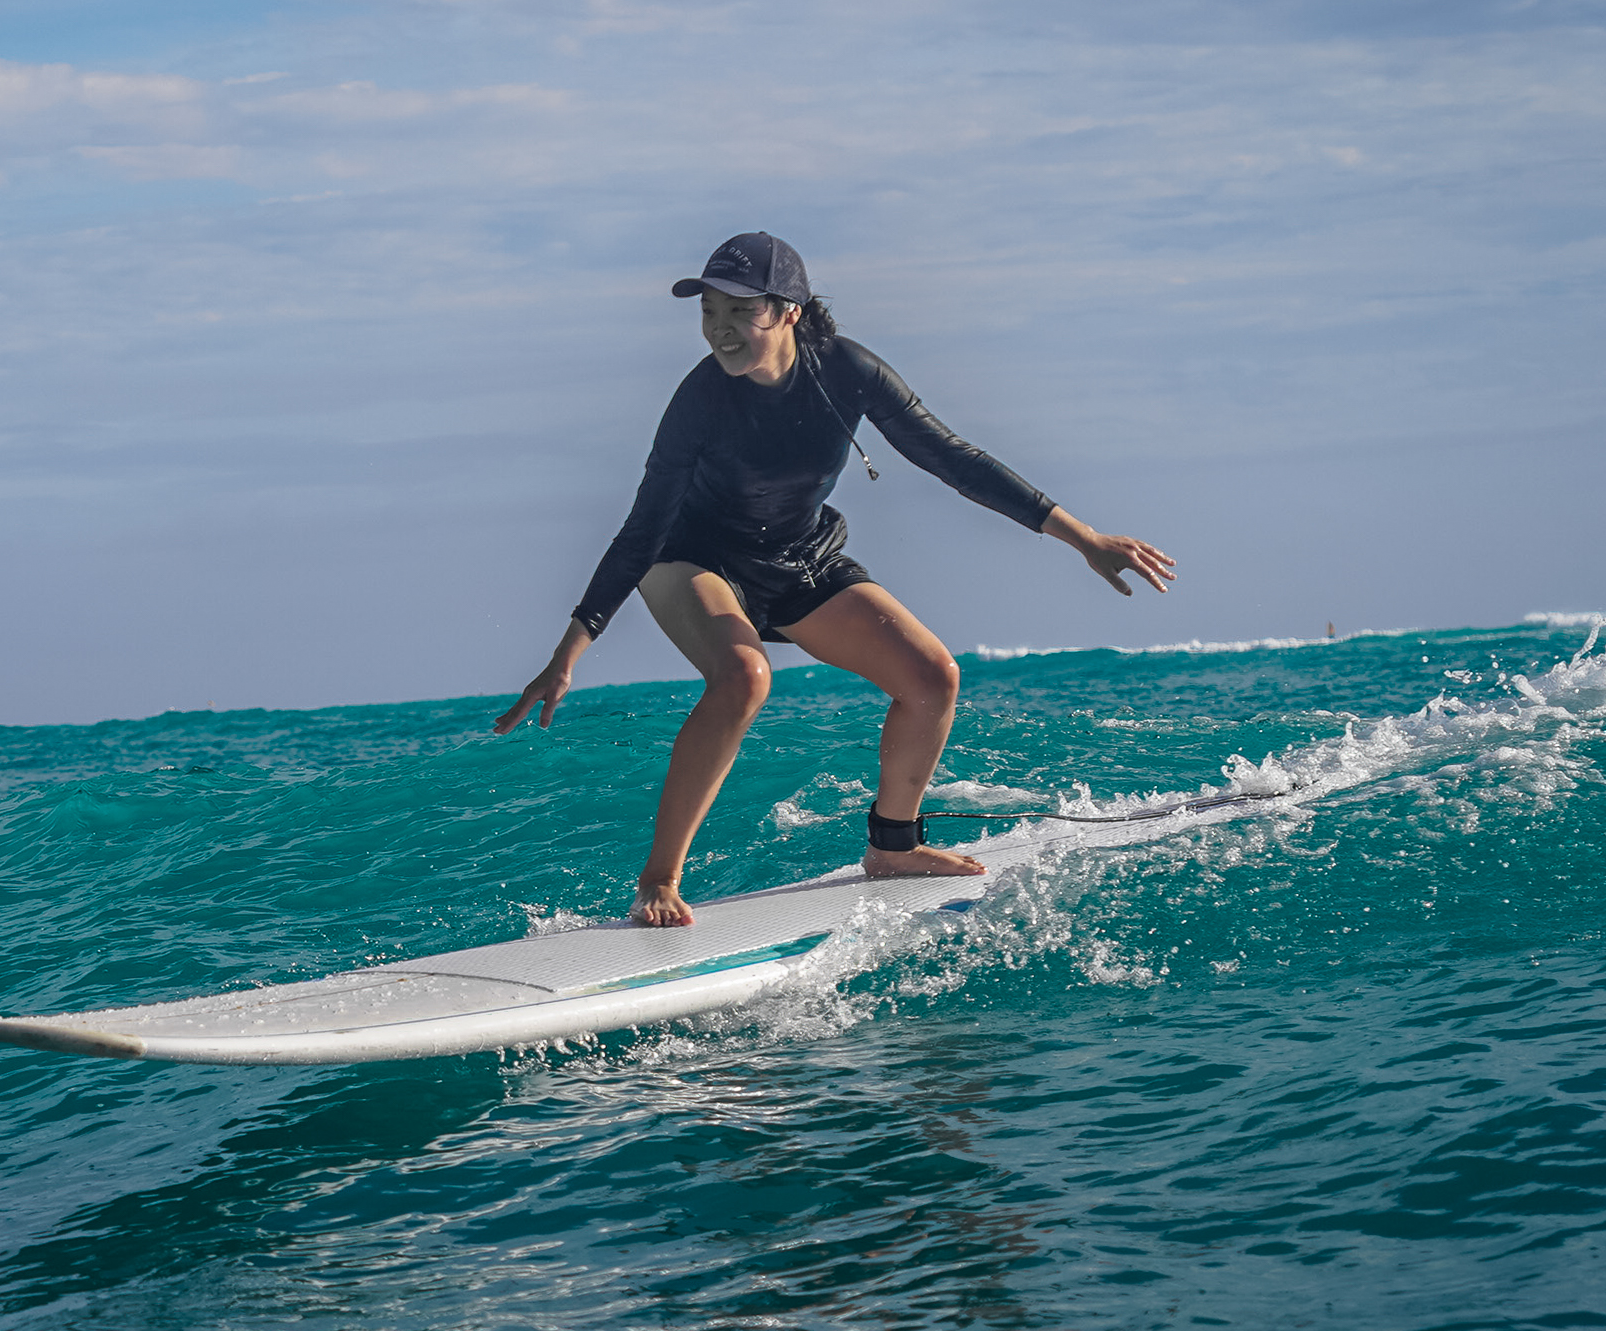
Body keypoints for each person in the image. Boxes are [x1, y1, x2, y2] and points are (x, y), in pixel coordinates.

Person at [496, 232, 1174, 928]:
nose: (721, 329)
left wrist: (1084, 538)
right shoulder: (700, 400)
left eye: (740, 311)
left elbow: (952, 458)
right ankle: (659, 880)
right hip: (691, 558)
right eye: (709, 312)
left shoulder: (848, 370)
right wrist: (569, 651)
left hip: (798, 557)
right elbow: (643, 529)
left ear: (789, 311)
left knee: (932, 676)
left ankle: (894, 846)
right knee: (743, 676)